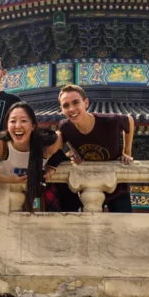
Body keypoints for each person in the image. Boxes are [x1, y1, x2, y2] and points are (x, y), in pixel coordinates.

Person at [46, 85, 134, 213]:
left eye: (76, 102)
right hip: (89, 185)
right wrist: (73, 150)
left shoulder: (109, 121)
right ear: (61, 109)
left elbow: (129, 120)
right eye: (66, 106)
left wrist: (126, 152)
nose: (71, 109)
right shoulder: (65, 126)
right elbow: (63, 138)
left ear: (86, 103)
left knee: (123, 225)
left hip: (117, 185)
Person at [0, 103, 62, 212]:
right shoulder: (0, 145)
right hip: (3, 200)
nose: (18, 126)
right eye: (13, 121)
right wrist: (13, 180)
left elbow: (59, 136)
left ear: (33, 126)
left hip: (34, 198)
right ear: (7, 126)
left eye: (23, 121)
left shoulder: (44, 147)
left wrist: (52, 166)